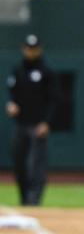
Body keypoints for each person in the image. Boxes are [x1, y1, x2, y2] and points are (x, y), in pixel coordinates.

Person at [6, 34, 58, 206]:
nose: (31, 52)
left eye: (34, 49)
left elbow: (53, 99)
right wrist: (12, 105)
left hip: (38, 125)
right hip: (20, 124)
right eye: (28, 49)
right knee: (19, 162)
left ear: (39, 50)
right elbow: (12, 94)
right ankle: (23, 199)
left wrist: (46, 122)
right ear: (24, 49)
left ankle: (34, 202)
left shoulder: (46, 71)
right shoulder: (18, 70)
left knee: (37, 165)